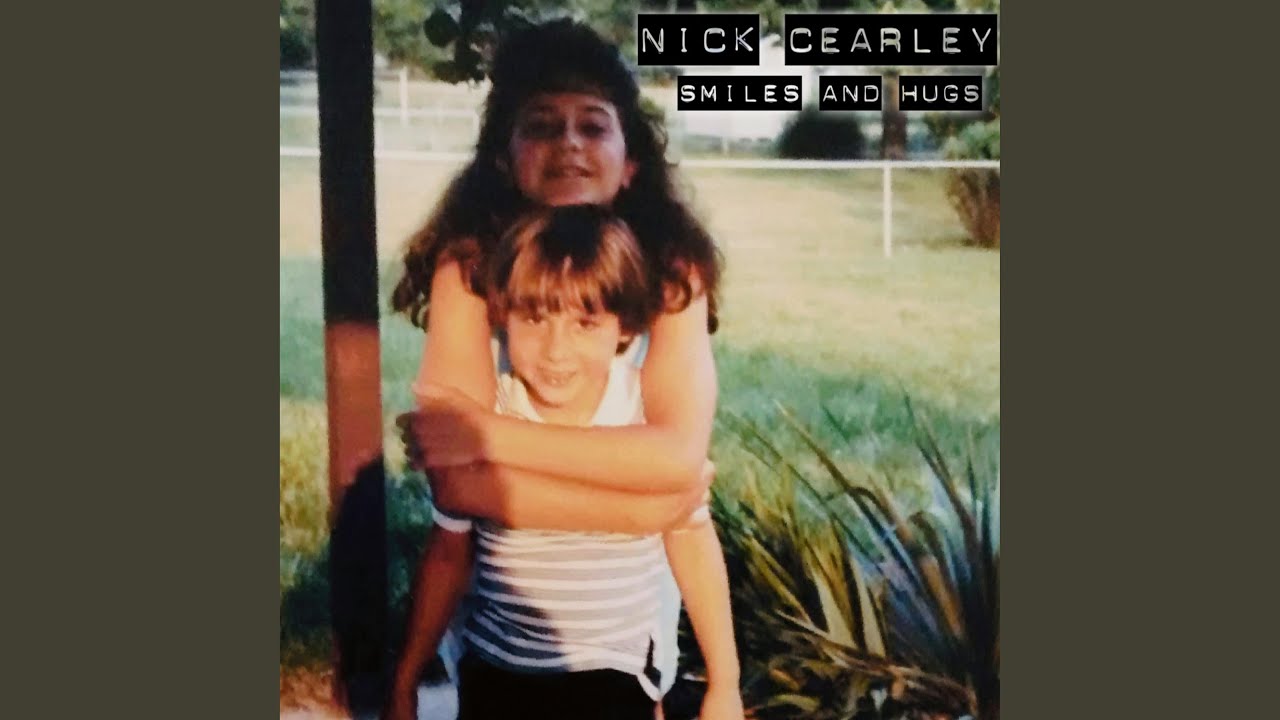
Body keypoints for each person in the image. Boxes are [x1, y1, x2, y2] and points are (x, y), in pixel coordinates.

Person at [388, 17, 729, 719]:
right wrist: (645, 508)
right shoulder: (469, 266)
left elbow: (676, 457)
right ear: (503, 158)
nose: (569, 142)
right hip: (503, 648)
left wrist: (488, 436)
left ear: (630, 160)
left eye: (592, 125)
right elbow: (455, 483)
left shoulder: (671, 269)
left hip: (621, 646)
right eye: (541, 125)